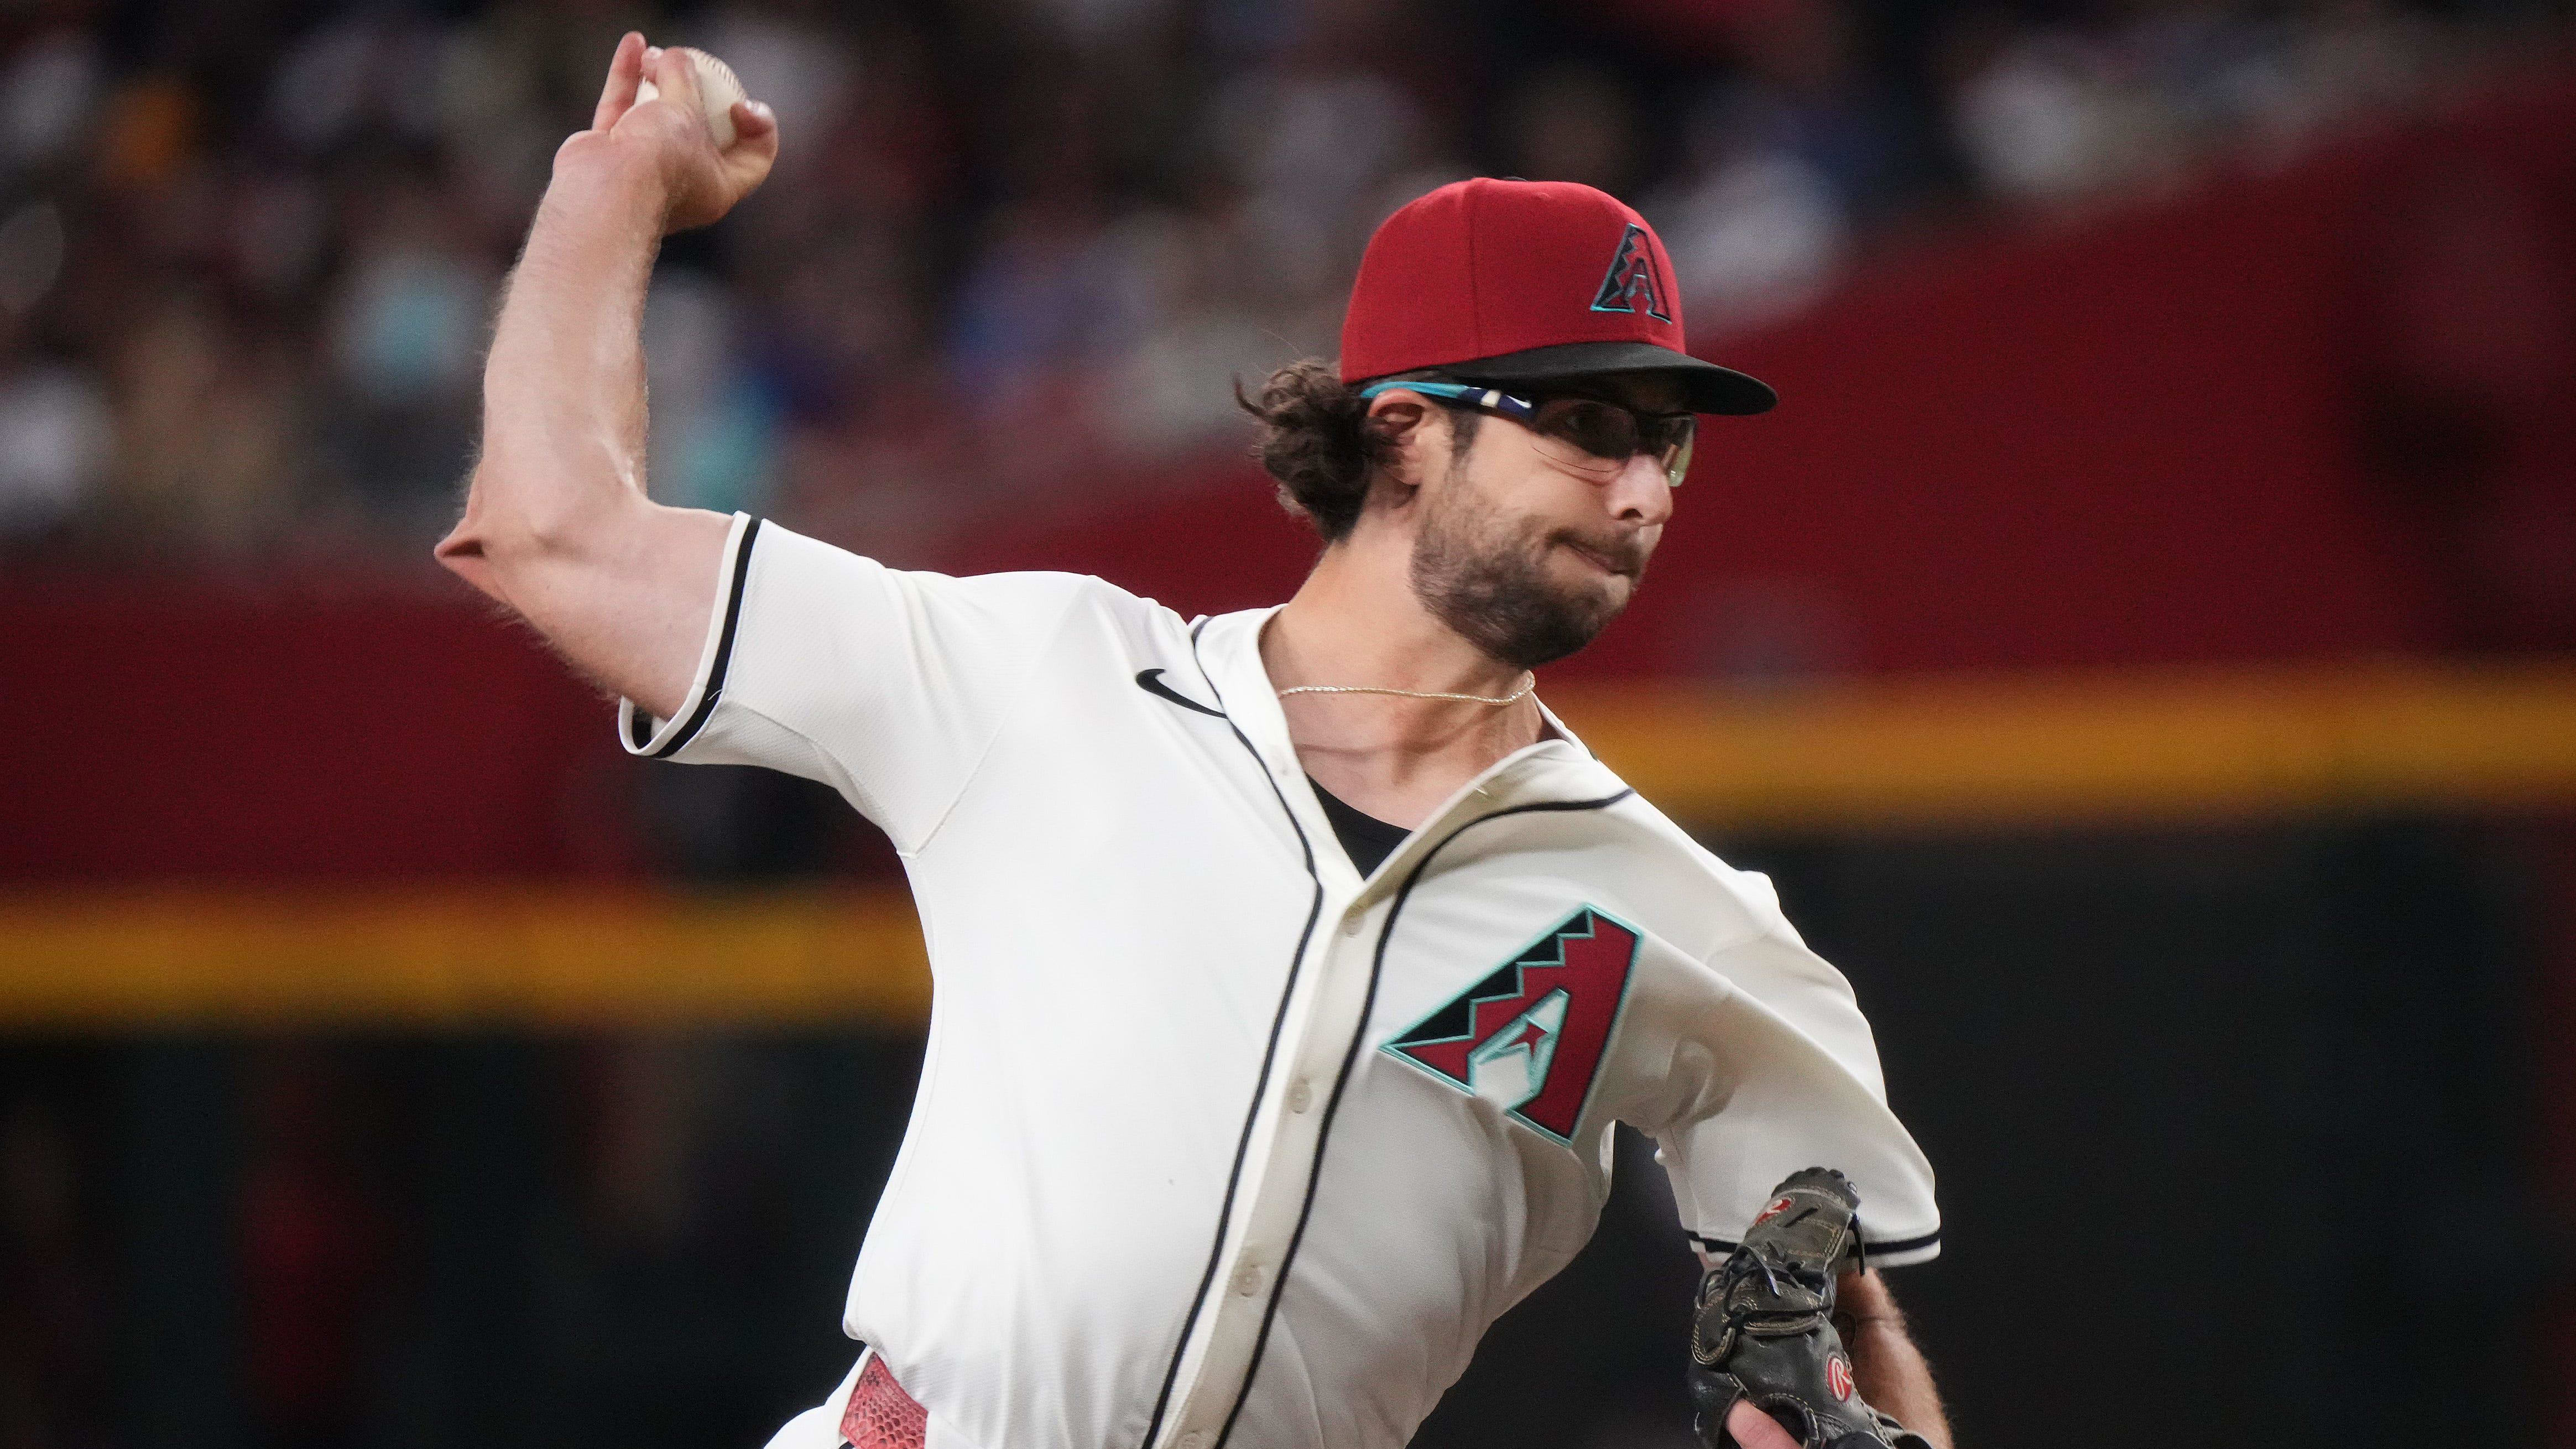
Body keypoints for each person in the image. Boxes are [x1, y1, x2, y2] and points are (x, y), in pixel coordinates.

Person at [437, 35, 1951, 1449]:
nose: (1644, 494)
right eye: (1593, 425)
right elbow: (552, 534)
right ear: (1408, 430)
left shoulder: (1684, 922)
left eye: (1667, 440)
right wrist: (613, 187)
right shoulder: (1046, 679)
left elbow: (1837, 1319)